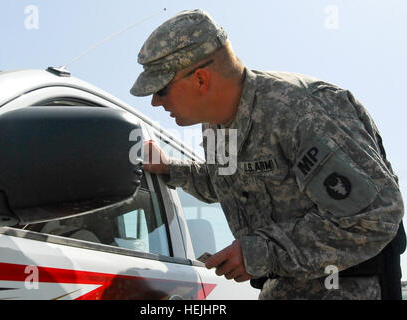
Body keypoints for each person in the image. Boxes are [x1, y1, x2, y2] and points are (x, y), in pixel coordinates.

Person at [130, 9, 405, 300]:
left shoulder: (303, 111)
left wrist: (260, 252)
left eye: (161, 90)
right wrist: (171, 169)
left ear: (200, 79)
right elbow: (224, 182)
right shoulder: (217, 124)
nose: (155, 102)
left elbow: (375, 217)